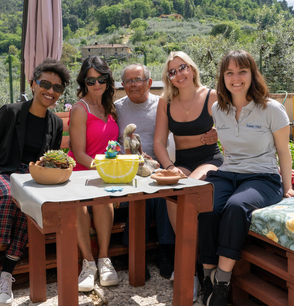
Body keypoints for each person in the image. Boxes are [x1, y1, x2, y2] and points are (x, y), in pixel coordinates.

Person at [199, 50, 294, 306]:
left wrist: (287, 188)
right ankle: (207, 274)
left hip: (263, 177)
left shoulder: (271, 108)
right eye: (229, 73)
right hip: (229, 172)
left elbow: (284, 151)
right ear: (222, 77)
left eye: (242, 72)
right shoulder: (218, 108)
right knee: (206, 207)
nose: (236, 78)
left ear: (252, 74)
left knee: (237, 207)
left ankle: (222, 282)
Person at [0, 59, 70, 306]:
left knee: (30, 202)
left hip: (31, 177)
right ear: (33, 84)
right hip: (1, 173)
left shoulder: (56, 123)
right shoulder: (11, 111)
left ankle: (6, 274)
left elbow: (49, 159)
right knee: (12, 196)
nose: (50, 91)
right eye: (45, 84)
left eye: (57, 88)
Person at [153, 52, 223, 286]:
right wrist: (170, 168)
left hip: (209, 158)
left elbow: (233, 127)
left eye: (182, 67)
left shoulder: (211, 96)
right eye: (172, 72)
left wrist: (218, 133)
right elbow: (158, 143)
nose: (178, 74)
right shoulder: (166, 101)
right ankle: (189, 267)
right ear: (168, 78)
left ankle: (194, 267)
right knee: (173, 193)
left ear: (192, 69)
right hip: (181, 161)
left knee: (190, 189)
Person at [115, 63, 176, 280]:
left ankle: (166, 251)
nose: (133, 85)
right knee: (141, 195)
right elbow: (113, 143)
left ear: (149, 82)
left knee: (164, 195)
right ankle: (136, 252)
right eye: (129, 81)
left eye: (138, 80)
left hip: (159, 167)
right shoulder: (117, 108)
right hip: (129, 171)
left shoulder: (161, 104)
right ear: (122, 85)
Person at [67, 56, 119, 292]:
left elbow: (113, 146)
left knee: (103, 201)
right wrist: (102, 168)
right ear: (83, 82)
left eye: (101, 78)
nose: (97, 84)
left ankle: (104, 260)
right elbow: (78, 154)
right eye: (91, 80)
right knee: (78, 205)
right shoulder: (80, 109)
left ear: (108, 80)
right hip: (81, 172)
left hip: (104, 173)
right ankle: (88, 263)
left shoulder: (110, 107)